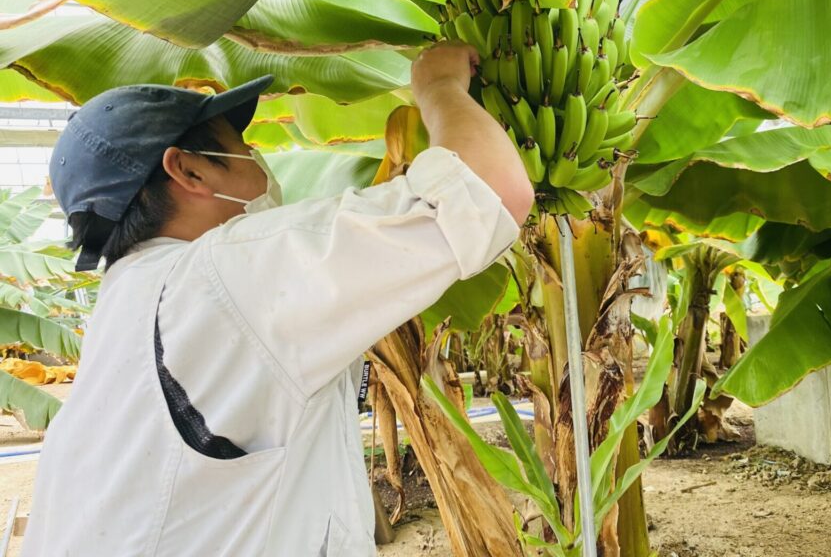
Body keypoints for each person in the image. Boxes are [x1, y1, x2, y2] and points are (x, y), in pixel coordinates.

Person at [21, 45, 533, 557]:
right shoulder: (222, 276)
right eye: (238, 143)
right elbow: (489, 192)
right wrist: (438, 88)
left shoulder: (132, 298)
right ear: (190, 172)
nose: (253, 155)